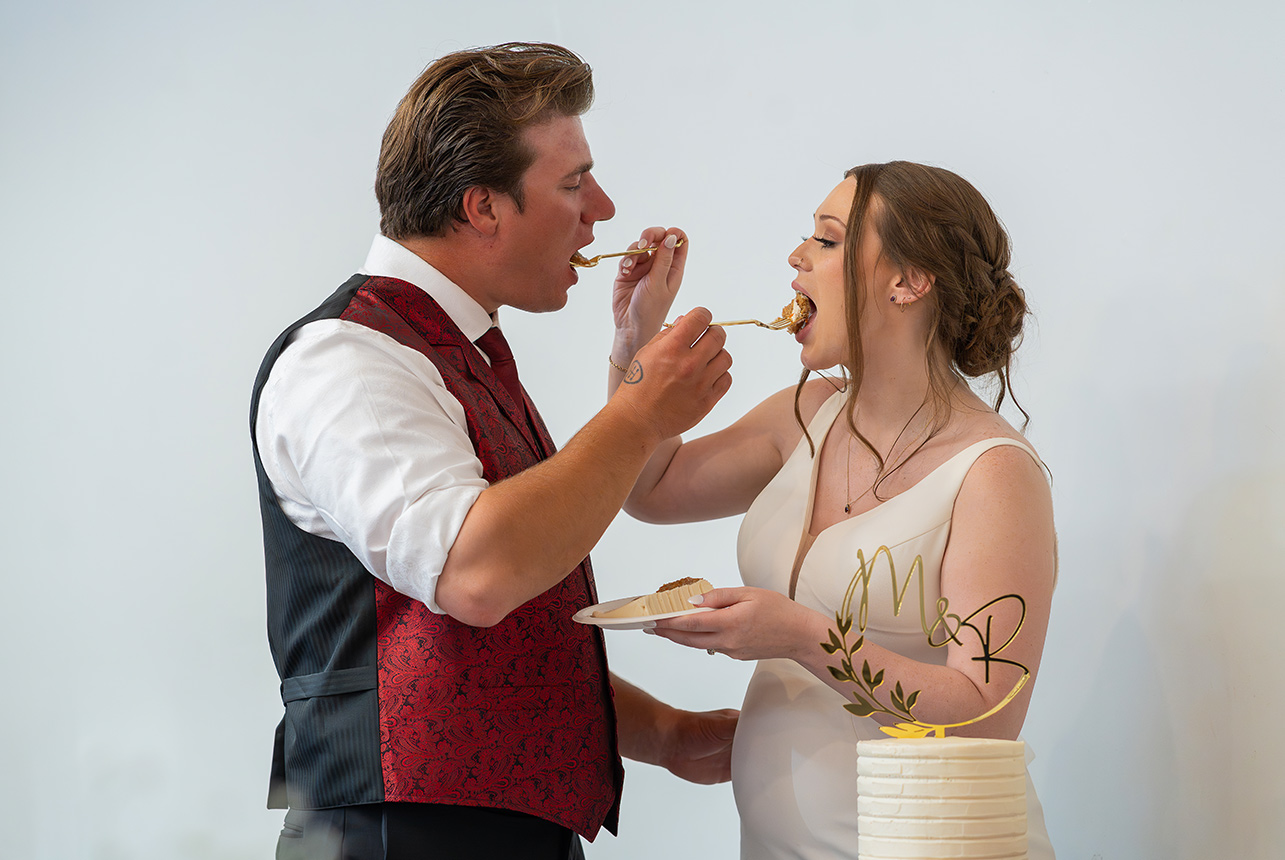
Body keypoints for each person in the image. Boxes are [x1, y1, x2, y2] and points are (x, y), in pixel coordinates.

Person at [249, 42, 738, 860]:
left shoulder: (455, 354)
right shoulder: (352, 360)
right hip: (396, 839)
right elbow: (476, 576)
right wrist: (641, 414)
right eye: (574, 182)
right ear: (482, 207)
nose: (603, 210)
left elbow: (490, 649)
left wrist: (672, 737)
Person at [610, 161, 1057, 859]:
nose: (795, 257)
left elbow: (987, 714)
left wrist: (798, 636)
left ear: (908, 281)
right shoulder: (807, 413)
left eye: (825, 240)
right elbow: (647, 486)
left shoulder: (993, 473)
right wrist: (635, 346)